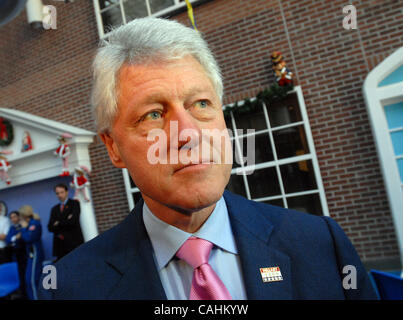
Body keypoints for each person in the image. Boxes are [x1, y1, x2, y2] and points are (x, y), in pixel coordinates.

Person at [38, 18, 377, 300]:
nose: (189, 133)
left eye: (201, 104)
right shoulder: (72, 287)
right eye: (154, 114)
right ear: (113, 147)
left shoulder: (321, 245)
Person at [48, 183, 84, 262]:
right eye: (57, 193)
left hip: (74, 243)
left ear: (67, 192)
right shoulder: (54, 209)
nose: (60, 195)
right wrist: (66, 220)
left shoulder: (74, 204)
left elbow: (73, 222)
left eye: (62, 192)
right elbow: (50, 227)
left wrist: (58, 223)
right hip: (60, 246)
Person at [19, 205, 44, 300]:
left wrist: (23, 229)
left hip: (35, 255)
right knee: (28, 280)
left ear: (24, 215)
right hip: (30, 256)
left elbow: (28, 238)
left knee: (32, 281)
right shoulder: (29, 224)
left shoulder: (34, 224)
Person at [5, 210, 27, 298]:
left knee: (26, 276)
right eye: (11, 218)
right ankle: (23, 295)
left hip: (24, 254)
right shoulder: (12, 228)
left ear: (18, 217)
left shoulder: (23, 226)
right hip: (16, 255)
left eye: (14, 217)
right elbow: (7, 240)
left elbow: (23, 238)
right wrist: (15, 237)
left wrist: (14, 239)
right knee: (20, 276)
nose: (13, 219)